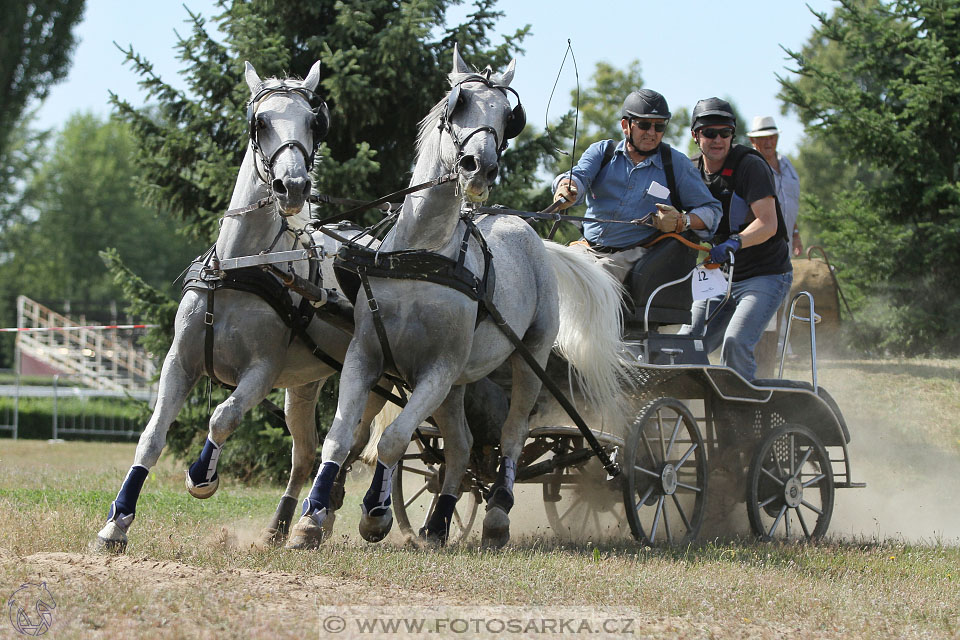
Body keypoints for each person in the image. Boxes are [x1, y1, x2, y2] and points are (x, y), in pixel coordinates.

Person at [551, 89, 721, 283]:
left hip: (635, 255)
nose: (651, 133)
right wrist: (567, 186)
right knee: (553, 270)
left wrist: (682, 221)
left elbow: (712, 211)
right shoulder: (602, 151)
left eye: (659, 127)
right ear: (625, 125)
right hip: (586, 247)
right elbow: (578, 177)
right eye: (644, 124)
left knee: (598, 275)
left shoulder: (677, 165)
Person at [679, 98, 793, 380]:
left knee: (735, 344)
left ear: (733, 135)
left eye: (725, 133)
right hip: (720, 277)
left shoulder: (750, 166)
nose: (718, 139)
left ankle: (743, 419)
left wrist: (734, 242)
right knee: (685, 344)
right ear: (695, 135)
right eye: (709, 133)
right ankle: (681, 413)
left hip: (764, 275)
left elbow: (768, 224)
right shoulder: (689, 171)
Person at [747, 115, 802, 257]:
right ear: (753, 140)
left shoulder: (786, 164)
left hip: (786, 247)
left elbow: (789, 203)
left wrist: (795, 234)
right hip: (761, 250)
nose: (768, 142)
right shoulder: (749, 168)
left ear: (777, 138)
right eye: (763, 138)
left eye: (772, 137)